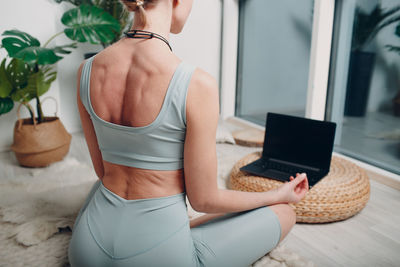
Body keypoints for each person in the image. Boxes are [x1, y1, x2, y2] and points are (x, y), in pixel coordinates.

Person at [68, 0, 309, 266]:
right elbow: (204, 199)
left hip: (85, 251)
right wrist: (277, 195)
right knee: (284, 213)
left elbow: (102, 173)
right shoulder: (196, 84)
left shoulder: (86, 70)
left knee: (105, 186)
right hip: (159, 258)